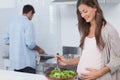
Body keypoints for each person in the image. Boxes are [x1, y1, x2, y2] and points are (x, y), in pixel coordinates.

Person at [56, 0, 120, 80]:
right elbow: (85, 57)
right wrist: (67, 62)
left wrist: (97, 74)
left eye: (85, 11)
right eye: (81, 13)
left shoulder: (109, 31)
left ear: (94, 7)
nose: (82, 15)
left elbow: (117, 59)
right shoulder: (85, 30)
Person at [4, 4, 45, 74]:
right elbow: (30, 44)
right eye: (32, 15)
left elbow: (6, 40)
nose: (32, 17)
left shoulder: (12, 23)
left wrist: (17, 43)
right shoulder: (28, 23)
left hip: (16, 63)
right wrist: (39, 49)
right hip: (27, 64)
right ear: (30, 12)